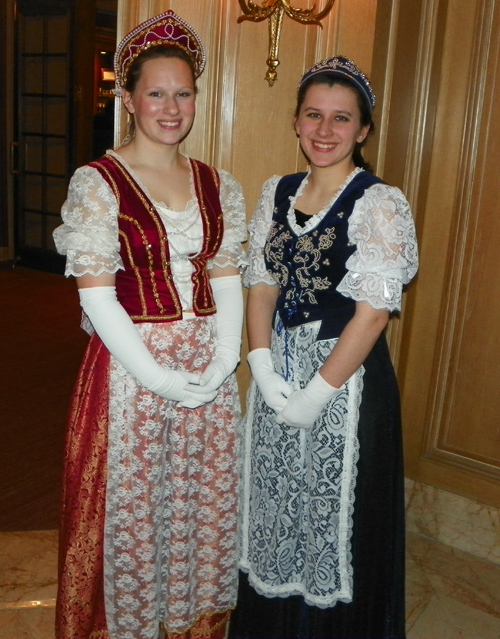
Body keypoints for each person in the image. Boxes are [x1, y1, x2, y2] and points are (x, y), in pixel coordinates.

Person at [53, 11, 247, 639]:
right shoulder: (99, 183)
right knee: (136, 512)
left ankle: (188, 624)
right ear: (129, 98)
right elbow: (97, 295)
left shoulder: (218, 184)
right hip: (133, 371)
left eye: (183, 92)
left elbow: (225, 275)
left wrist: (225, 360)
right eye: (156, 92)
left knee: (198, 505)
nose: (171, 106)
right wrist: (157, 377)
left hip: (206, 372)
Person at [229, 56, 418, 639]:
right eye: (314, 115)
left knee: (332, 520)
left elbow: (373, 314)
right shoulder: (278, 192)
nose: (325, 130)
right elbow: (261, 283)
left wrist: (316, 393)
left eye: (342, 119)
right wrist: (260, 362)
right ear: (296, 121)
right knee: (276, 507)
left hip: (346, 384)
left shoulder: (378, 202)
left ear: (362, 130)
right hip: (279, 370)